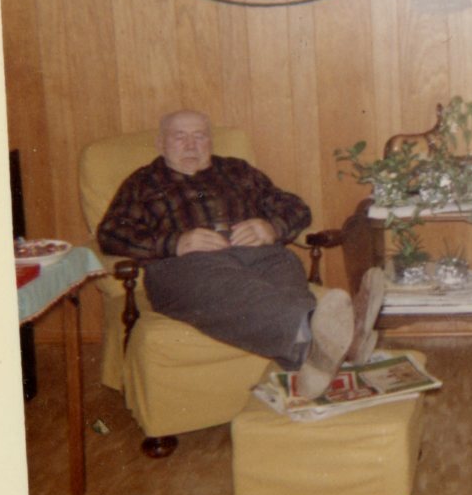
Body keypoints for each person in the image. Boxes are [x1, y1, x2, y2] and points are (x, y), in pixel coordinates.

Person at [98, 109, 378, 399]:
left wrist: (270, 227)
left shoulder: (237, 171)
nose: (191, 145)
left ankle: (309, 364)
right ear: (160, 144)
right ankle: (337, 341)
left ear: (211, 142)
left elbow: (295, 207)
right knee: (236, 288)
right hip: (187, 267)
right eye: (180, 137)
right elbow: (110, 234)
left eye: (200, 137)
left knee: (284, 266)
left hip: (262, 256)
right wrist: (176, 242)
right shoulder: (143, 182)